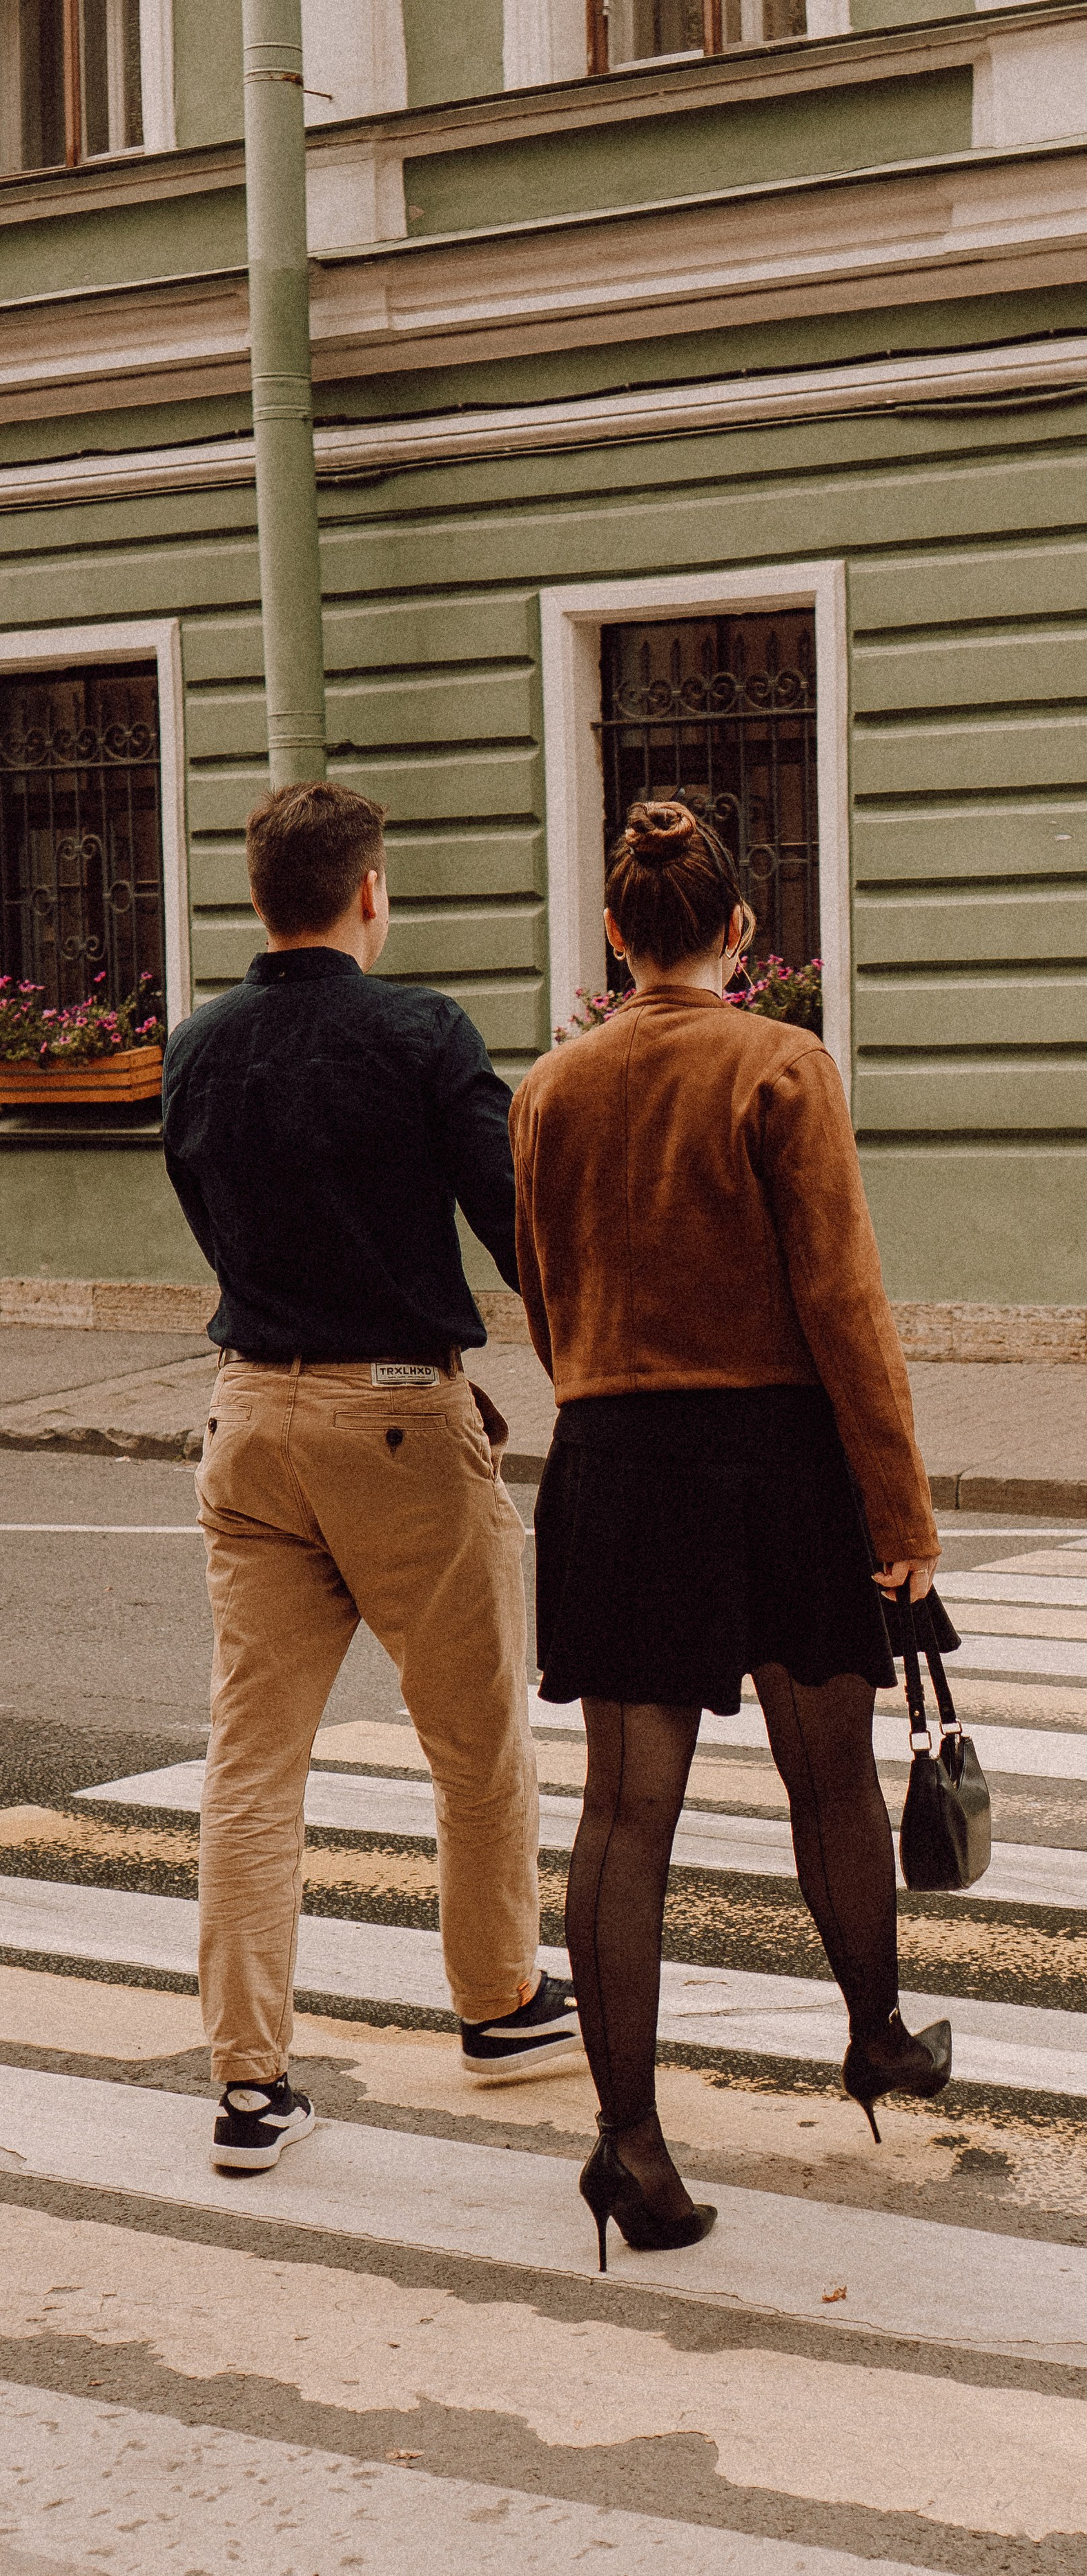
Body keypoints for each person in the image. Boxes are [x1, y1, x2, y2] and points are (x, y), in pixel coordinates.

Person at [510, 799, 952, 2270]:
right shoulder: (780, 1064)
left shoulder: (549, 1088)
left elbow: (542, 1290)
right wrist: (899, 1511)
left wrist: (604, 1393)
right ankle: (875, 2036)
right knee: (825, 1770)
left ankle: (627, 2143)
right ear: (740, 933)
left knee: (624, 1813)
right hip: (773, 1461)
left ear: (617, 937)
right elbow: (843, 1306)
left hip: (617, 1463)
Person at [161, 779, 580, 2175]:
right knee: (473, 1746)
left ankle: (247, 2089)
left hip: (248, 1421)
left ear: (261, 897)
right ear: (369, 894)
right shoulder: (420, 1033)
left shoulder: (198, 1049)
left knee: (253, 1765)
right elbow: (519, 1228)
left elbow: (211, 1219)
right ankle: (500, 2002)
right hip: (400, 1419)